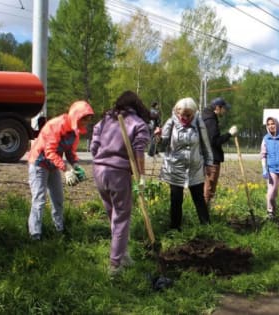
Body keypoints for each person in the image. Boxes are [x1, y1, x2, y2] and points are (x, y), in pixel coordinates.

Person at [90, 91, 150, 277]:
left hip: (99, 171)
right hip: (118, 174)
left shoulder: (106, 120)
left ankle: (122, 254)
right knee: (122, 218)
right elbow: (139, 154)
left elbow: (93, 146)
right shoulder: (139, 124)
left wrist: (103, 157)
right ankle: (115, 265)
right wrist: (141, 176)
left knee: (113, 215)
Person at [27, 100, 94, 240]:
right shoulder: (56, 125)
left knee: (58, 199)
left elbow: (70, 152)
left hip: (53, 166)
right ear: (77, 117)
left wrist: (76, 166)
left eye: (87, 120)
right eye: (84, 120)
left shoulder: (75, 131)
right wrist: (65, 170)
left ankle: (59, 230)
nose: (86, 123)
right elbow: (49, 151)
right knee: (39, 199)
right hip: (39, 163)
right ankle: (35, 235)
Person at [156, 97, 214, 231]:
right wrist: (158, 138)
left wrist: (209, 163)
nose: (184, 118)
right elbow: (162, 146)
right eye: (181, 114)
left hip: (195, 168)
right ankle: (175, 229)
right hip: (175, 168)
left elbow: (206, 145)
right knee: (176, 200)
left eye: (188, 115)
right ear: (176, 112)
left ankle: (207, 227)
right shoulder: (170, 123)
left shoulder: (199, 123)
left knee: (199, 198)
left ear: (193, 113)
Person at [201, 97, 238, 206]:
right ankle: (205, 216)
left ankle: (205, 214)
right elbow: (215, 141)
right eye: (224, 109)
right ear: (217, 108)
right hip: (212, 159)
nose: (225, 111)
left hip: (206, 157)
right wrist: (229, 134)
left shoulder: (206, 118)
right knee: (209, 188)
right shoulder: (211, 121)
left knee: (207, 187)